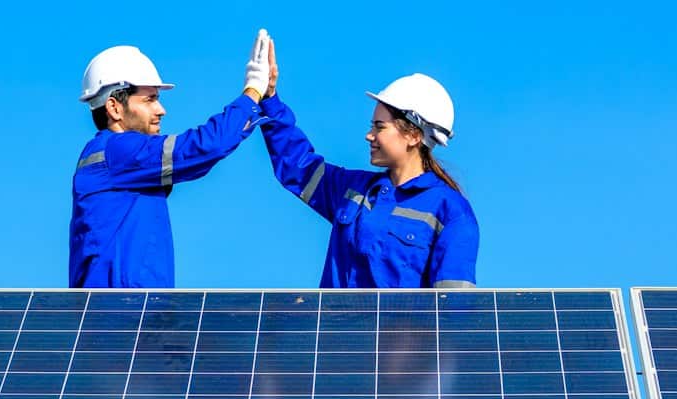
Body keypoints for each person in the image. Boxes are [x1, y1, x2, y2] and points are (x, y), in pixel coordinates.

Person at [259, 48, 478, 289]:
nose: (369, 135)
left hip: (402, 328)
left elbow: (453, 308)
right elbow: (297, 166)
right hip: (334, 327)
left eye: (379, 127)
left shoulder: (451, 211)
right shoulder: (352, 190)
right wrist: (269, 99)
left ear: (414, 135)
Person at [68, 32, 274, 288]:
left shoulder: (110, 158)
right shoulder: (119, 151)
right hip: (122, 314)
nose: (161, 110)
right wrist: (252, 92)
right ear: (114, 108)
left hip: (128, 314)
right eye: (149, 99)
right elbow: (203, 147)